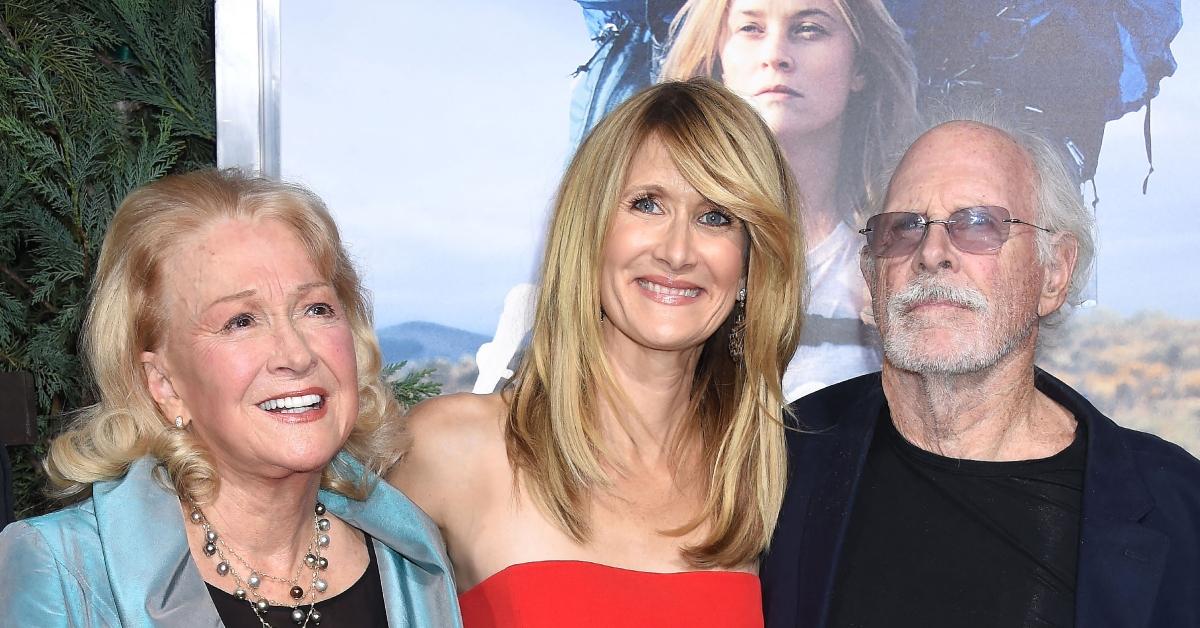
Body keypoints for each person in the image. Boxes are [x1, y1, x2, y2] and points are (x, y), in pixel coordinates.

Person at [759, 107, 1200, 627]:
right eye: (904, 228)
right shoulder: (775, 465)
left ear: (1054, 273)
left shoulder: (1178, 511)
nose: (932, 252)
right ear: (871, 275)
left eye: (978, 224)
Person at [391, 78, 804, 628]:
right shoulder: (453, 449)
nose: (677, 251)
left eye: (716, 217)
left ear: (752, 263)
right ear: (590, 232)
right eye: (647, 204)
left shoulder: (767, 482)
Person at [0, 170, 461, 627]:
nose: (297, 355)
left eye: (316, 308)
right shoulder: (64, 574)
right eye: (240, 321)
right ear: (164, 383)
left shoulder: (410, 559)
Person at [659, 0, 918, 399]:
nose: (775, 55)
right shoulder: (653, 252)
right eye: (750, 29)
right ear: (717, 62)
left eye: (808, 29)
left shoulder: (906, 265)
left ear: (861, 67)